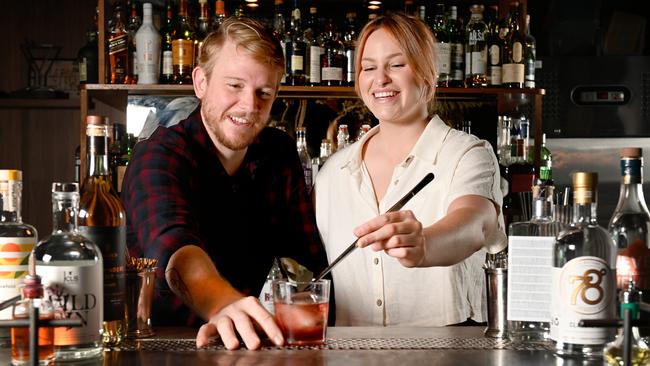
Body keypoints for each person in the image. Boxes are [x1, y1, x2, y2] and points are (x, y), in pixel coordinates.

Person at [121, 17, 329, 350]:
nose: (249, 106)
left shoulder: (278, 152)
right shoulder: (159, 156)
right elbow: (173, 251)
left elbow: (308, 261)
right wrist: (222, 305)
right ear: (200, 82)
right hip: (161, 346)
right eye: (234, 85)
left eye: (264, 92)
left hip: (245, 345)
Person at [313, 12, 507, 327]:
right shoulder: (332, 174)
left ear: (428, 74)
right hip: (353, 358)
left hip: (446, 357)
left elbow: (477, 224)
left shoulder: (466, 154)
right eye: (368, 67)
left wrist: (424, 245)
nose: (380, 79)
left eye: (397, 65)